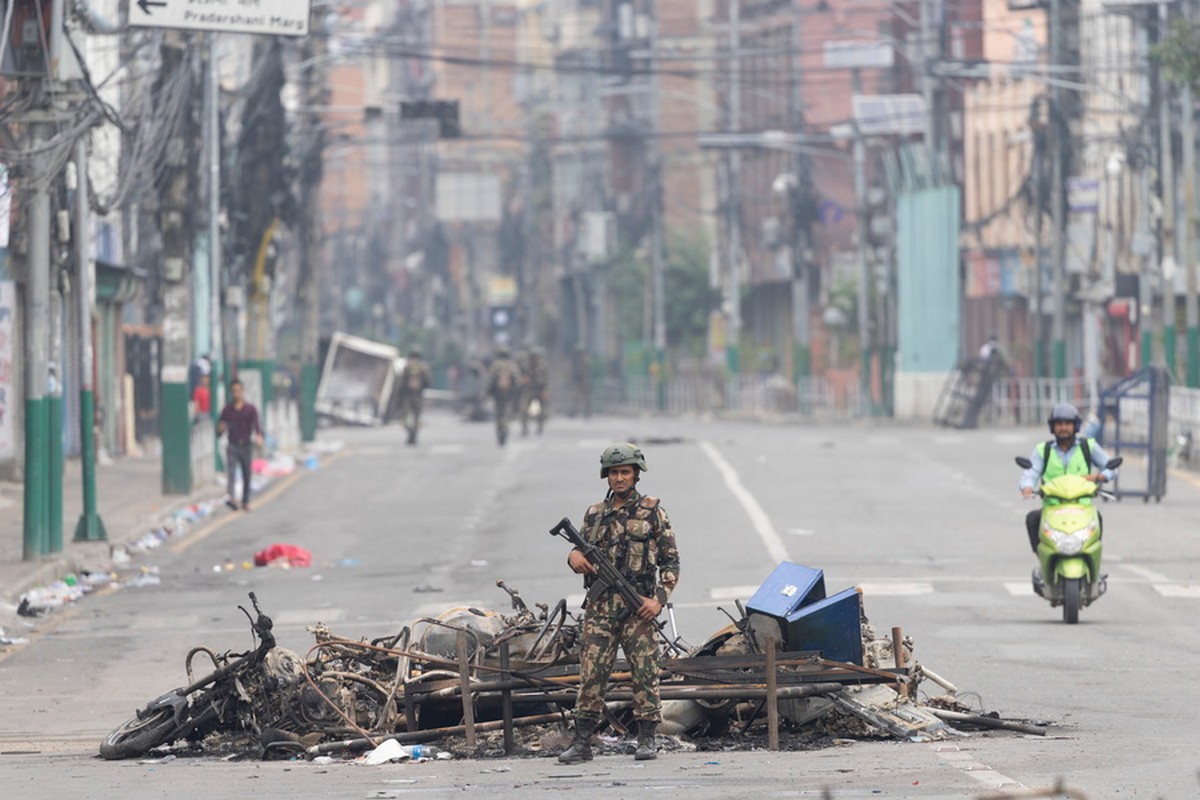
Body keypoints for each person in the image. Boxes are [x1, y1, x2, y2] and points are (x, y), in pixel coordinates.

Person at [559, 443, 680, 765]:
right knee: (591, 674)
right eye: (614, 473)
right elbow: (580, 552)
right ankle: (582, 740)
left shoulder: (653, 512)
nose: (619, 478)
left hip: (638, 606)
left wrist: (658, 601)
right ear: (606, 476)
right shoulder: (594, 514)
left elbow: (671, 564)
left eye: (625, 472)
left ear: (636, 474)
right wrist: (573, 557)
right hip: (600, 608)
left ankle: (646, 738)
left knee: (645, 672)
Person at [1018, 402, 1118, 555]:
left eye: (1067, 423)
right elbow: (1031, 472)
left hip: (1082, 508)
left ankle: (1094, 563)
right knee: (1032, 519)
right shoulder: (1042, 450)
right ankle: (1043, 560)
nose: (1063, 427)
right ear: (1052, 427)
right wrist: (1027, 487)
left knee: (1097, 518)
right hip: (1052, 508)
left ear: (1075, 426)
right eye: (1059, 423)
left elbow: (1110, 466)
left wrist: (1100, 476)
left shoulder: (1088, 446)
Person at [217, 378, 264, 511]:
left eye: (238, 390)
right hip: (232, 445)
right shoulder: (227, 410)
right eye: (234, 391)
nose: (236, 393)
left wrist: (259, 436)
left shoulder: (250, 409)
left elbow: (257, 425)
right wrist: (220, 429)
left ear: (242, 391)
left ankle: (245, 501)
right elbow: (220, 429)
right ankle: (232, 498)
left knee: (246, 474)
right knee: (231, 471)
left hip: (246, 445)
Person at [395, 346, 433, 445]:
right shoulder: (421, 368)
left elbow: (401, 383)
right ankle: (412, 435)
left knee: (410, 418)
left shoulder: (409, 368)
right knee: (410, 418)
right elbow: (428, 382)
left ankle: (412, 435)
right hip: (412, 396)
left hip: (412, 396)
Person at [487, 346, 521, 445]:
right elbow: (517, 380)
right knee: (507, 412)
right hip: (509, 395)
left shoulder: (495, 365)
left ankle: (500, 430)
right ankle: (505, 428)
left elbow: (489, 381)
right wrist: (517, 393)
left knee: (499, 414)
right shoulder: (512, 365)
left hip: (498, 395)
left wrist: (487, 393)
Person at [519, 345, 549, 436]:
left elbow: (547, 379)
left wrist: (546, 390)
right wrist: (523, 380)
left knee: (541, 411)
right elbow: (520, 376)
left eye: (536, 357)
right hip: (528, 390)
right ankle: (524, 427)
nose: (534, 359)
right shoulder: (526, 366)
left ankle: (540, 426)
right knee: (524, 409)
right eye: (533, 357)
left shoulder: (543, 366)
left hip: (539, 390)